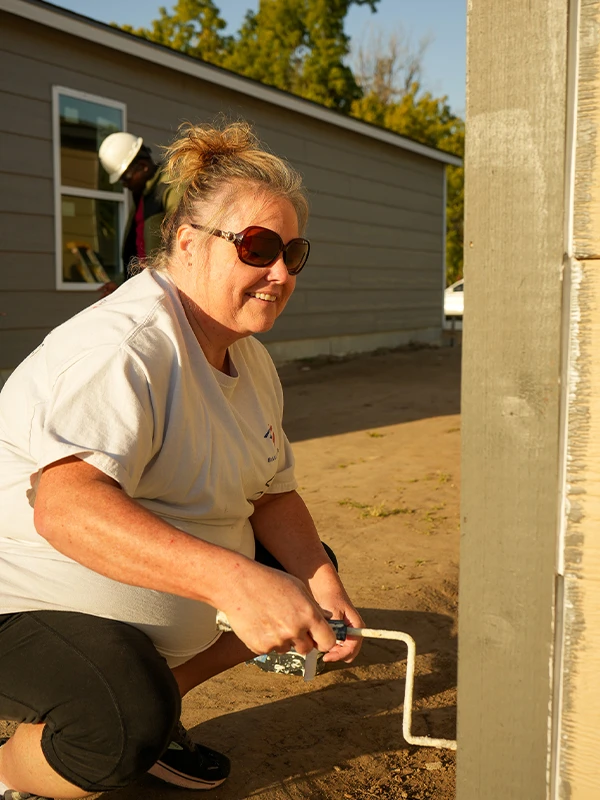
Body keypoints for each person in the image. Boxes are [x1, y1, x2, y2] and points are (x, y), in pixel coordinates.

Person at [0, 120, 363, 800]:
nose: (280, 272)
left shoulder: (248, 358)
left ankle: (161, 701)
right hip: (14, 603)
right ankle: (10, 769)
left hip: (124, 615)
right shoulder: (127, 347)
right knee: (117, 724)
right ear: (188, 244)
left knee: (301, 570)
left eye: (292, 252)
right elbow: (65, 507)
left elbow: (272, 496)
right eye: (257, 248)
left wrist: (319, 580)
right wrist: (234, 585)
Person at [97, 131, 180, 295]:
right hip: (145, 290)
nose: (125, 185)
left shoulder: (169, 186)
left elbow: (183, 236)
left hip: (166, 292)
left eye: (126, 177)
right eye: (121, 180)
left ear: (143, 166)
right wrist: (121, 284)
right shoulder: (141, 197)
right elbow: (138, 251)